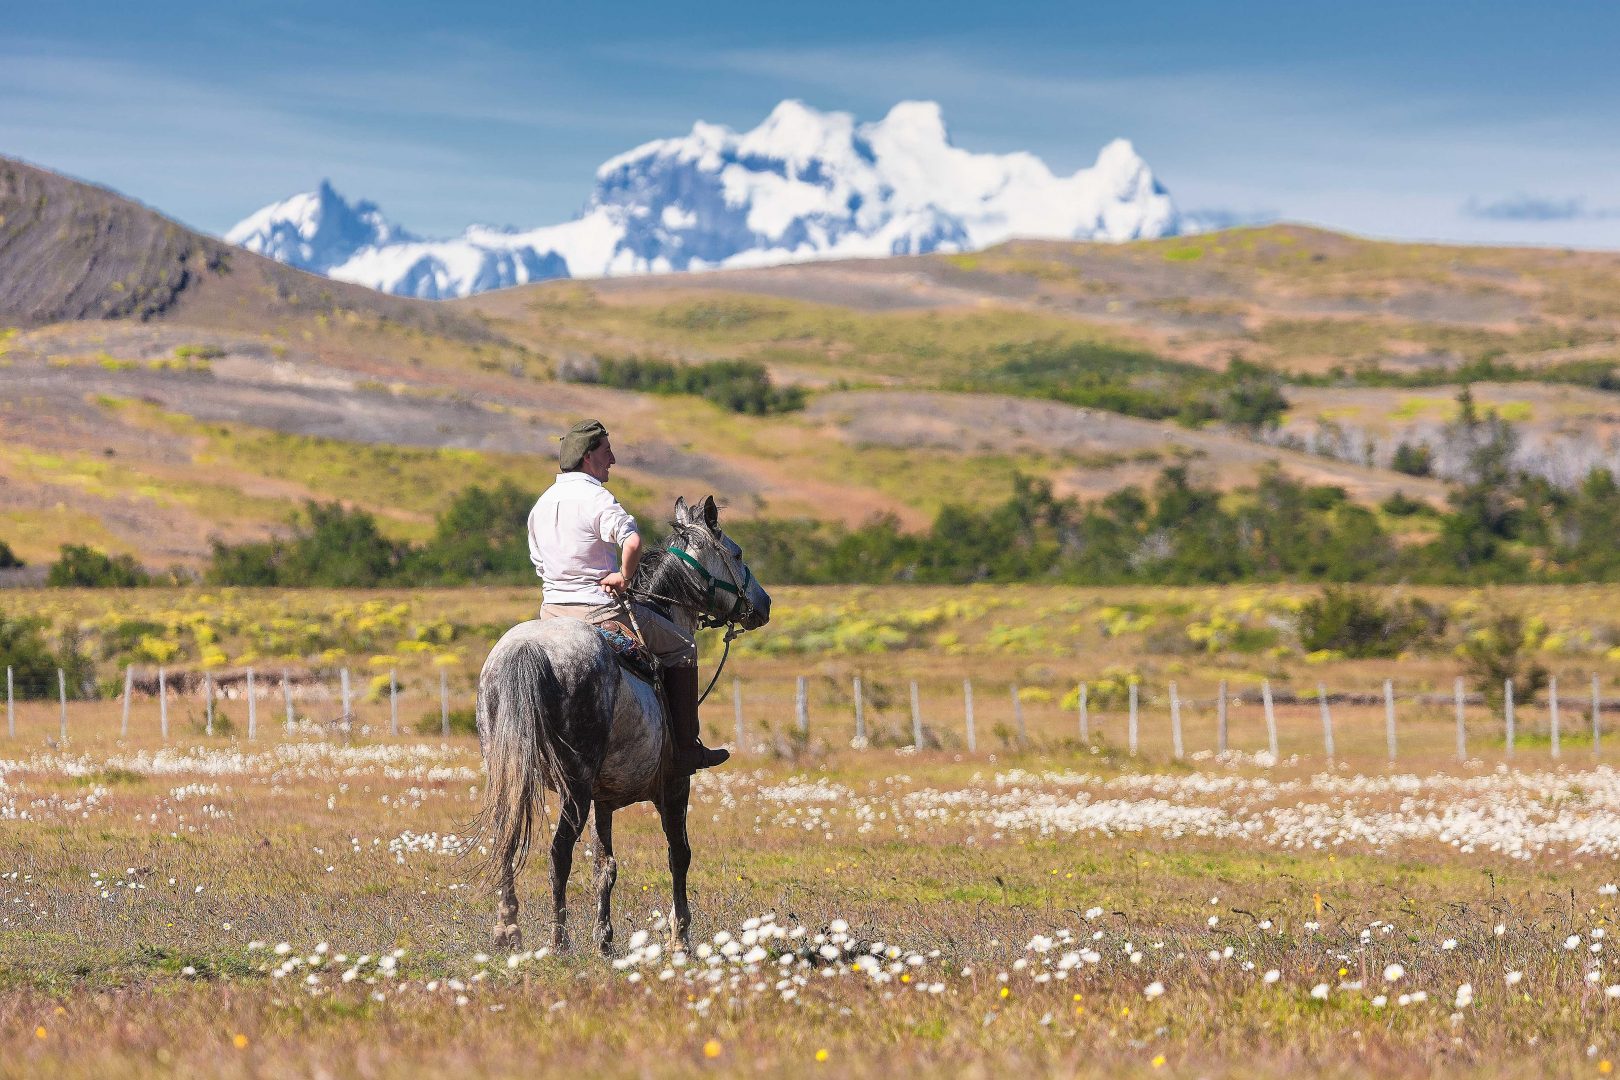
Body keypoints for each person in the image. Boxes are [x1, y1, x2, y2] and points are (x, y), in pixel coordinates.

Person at [528, 419, 729, 774]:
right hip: (598, 610)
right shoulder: (596, 498)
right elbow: (633, 541)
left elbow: (539, 563)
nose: (613, 460)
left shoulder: (542, 504)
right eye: (607, 452)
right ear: (588, 456)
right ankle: (686, 749)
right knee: (683, 647)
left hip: (551, 614)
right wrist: (624, 577)